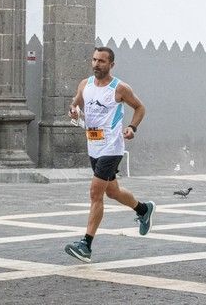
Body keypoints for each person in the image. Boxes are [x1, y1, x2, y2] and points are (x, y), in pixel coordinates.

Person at [64, 46, 155, 262]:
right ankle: (143, 209)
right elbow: (75, 103)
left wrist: (132, 128)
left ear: (111, 65)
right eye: (94, 60)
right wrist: (74, 111)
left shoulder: (120, 88)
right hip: (93, 145)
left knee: (96, 192)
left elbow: (140, 108)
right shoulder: (85, 84)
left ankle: (86, 244)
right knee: (112, 191)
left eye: (102, 61)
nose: (96, 64)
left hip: (112, 147)